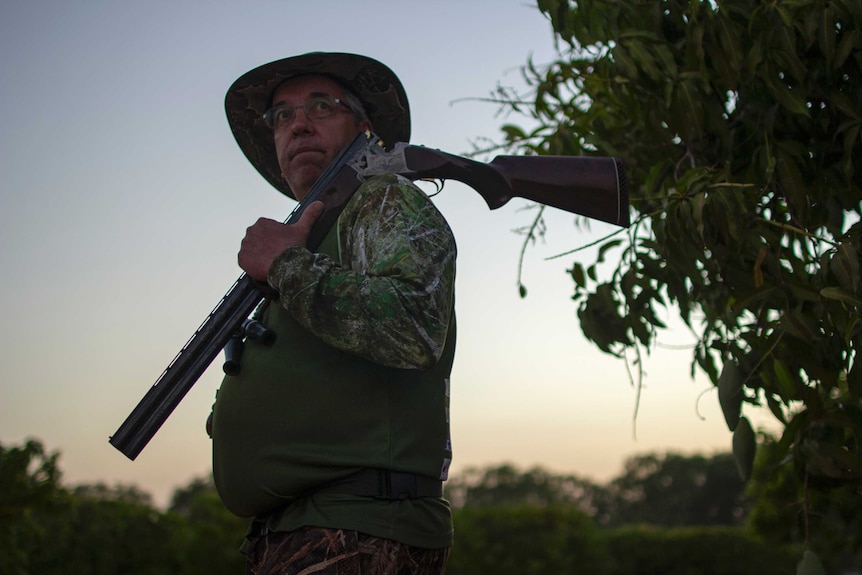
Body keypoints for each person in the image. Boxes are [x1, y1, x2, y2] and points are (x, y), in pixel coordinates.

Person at [211, 52, 457, 574]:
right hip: (304, 536)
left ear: (364, 129)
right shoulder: (309, 239)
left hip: (359, 534)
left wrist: (284, 263)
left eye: (321, 106)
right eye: (281, 115)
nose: (298, 123)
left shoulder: (381, 200)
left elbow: (413, 326)